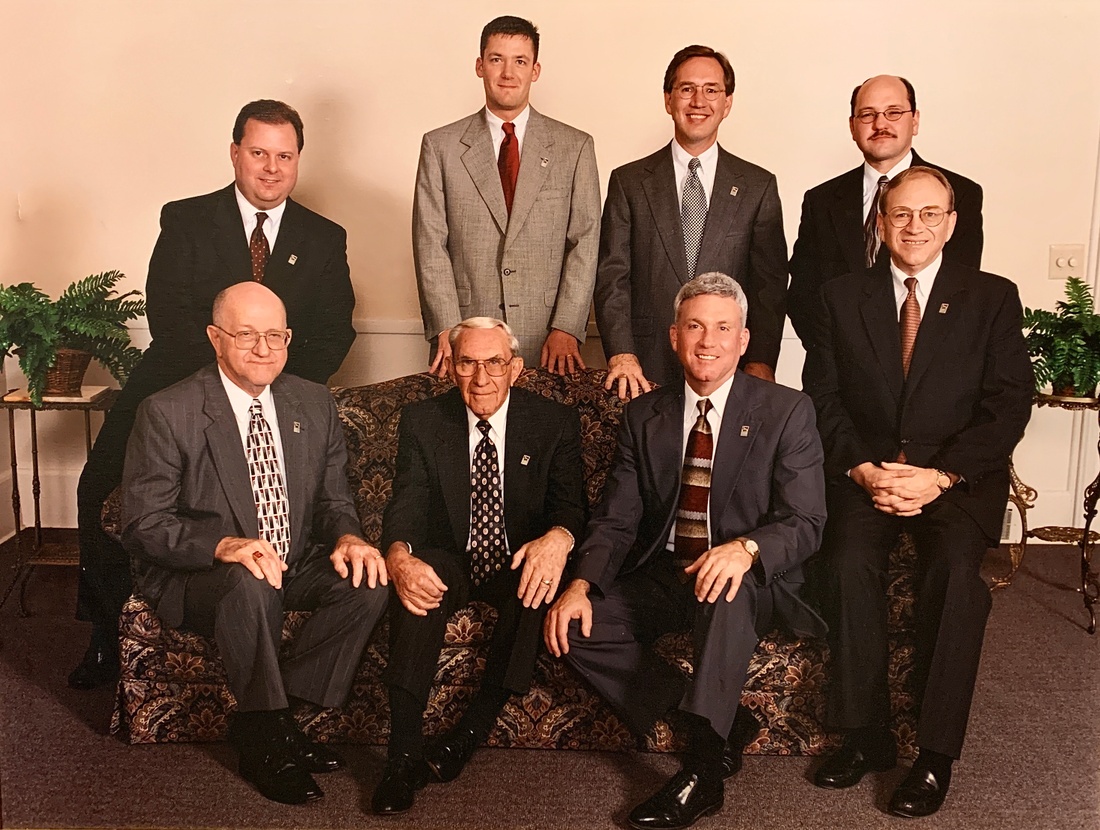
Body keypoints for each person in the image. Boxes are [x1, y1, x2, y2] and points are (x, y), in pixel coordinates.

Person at [70, 99, 356, 690]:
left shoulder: (324, 237)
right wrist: (229, 378)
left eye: (285, 156)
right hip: (177, 380)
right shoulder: (187, 219)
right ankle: (107, 632)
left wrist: (267, 379)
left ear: (298, 160)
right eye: (259, 153)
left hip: (278, 387)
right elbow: (170, 317)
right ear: (235, 154)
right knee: (99, 483)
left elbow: (334, 330)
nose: (271, 168)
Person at [546, 273, 826, 830]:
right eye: (695, 326)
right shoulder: (645, 416)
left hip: (749, 582)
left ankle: (701, 773)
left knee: (725, 586)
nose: (708, 341)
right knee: (569, 625)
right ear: (674, 337)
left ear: (743, 340)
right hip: (664, 573)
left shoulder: (787, 410)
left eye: (723, 328)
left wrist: (745, 548)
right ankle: (721, 719)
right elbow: (618, 519)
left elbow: (806, 521)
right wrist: (579, 585)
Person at [803, 167, 1032, 817]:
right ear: (881, 221)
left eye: (931, 214)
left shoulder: (992, 297)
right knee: (845, 564)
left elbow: (1009, 406)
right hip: (868, 473)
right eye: (902, 214)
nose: (915, 226)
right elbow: (824, 398)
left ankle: (933, 755)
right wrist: (863, 470)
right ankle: (868, 735)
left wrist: (940, 476)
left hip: (956, 477)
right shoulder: (840, 296)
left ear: (952, 224)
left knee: (957, 574)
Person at [121, 282, 386, 805]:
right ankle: (269, 740)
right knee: (248, 582)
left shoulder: (312, 401)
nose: (263, 349)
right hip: (203, 574)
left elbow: (334, 500)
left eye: (274, 335)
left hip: (293, 559)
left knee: (368, 584)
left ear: (288, 339)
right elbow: (141, 522)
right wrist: (224, 545)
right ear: (215, 339)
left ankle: (273, 719)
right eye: (246, 335)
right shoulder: (167, 411)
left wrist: (351, 538)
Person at [371, 317, 586, 815]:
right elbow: (408, 502)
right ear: (452, 367)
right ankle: (402, 753)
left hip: (517, 553)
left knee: (536, 582)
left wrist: (558, 538)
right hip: (453, 553)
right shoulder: (424, 421)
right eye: (468, 362)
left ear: (516, 368)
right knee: (418, 583)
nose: (482, 377)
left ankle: (470, 731)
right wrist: (399, 556)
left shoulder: (554, 422)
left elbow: (571, 507)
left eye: (494, 363)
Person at [593, 45, 788, 400]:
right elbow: (612, 276)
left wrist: (761, 361)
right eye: (687, 89)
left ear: (727, 103)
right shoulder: (629, 181)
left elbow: (769, 287)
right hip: (643, 368)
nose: (699, 100)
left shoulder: (758, 186)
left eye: (711, 90)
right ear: (668, 100)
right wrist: (621, 353)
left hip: (727, 365)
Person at [413, 15, 601, 376]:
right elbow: (429, 242)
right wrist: (446, 327)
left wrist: (567, 325)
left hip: (548, 336)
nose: (507, 73)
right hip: (466, 337)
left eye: (520, 61)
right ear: (480, 66)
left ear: (536, 70)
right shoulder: (441, 147)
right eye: (497, 59)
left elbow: (585, 241)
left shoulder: (574, 147)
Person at [787, 75, 983, 347]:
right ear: (852, 126)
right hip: (843, 370)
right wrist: (836, 351)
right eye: (867, 115)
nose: (880, 124)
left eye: (893, 112)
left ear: (914, 120)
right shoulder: (821, 200)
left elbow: (961, 289)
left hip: (933, 366)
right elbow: (803, 293)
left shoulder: (960, 193)